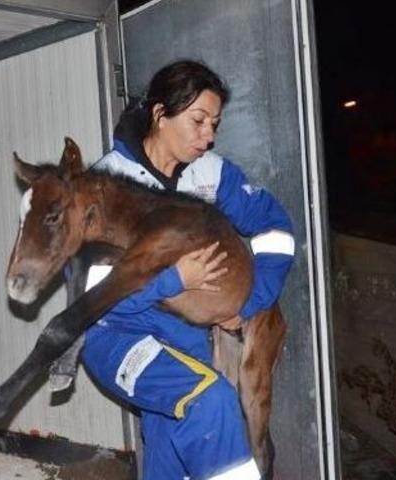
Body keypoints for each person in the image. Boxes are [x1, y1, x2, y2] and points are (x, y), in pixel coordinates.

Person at [79, 60, 295, 479]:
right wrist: (178, 279)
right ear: (160, 115)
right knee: (210, 402)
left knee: (170, 445)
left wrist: (252, 300)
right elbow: (99, 301)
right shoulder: (107, 185)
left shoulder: (211, 174)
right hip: (118, 336)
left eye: (214, 123)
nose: (209, 136)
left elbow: (275, 229)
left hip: (184, 339)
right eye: (198, 121)